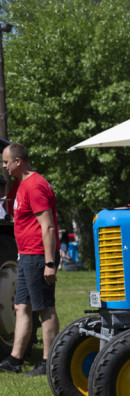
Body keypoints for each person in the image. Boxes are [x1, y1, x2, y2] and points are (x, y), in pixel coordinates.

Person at [0, 143, 59, 376]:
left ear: (18, 161)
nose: (3, 166)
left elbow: (49, 227)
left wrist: (50, 262)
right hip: (24, 255)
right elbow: (10, 208)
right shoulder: (20, 184)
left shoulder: (35, 186)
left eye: (6, 162)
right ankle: (15, 360)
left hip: (37, 255)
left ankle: (49, 362)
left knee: (45, 308)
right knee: (21, 306)